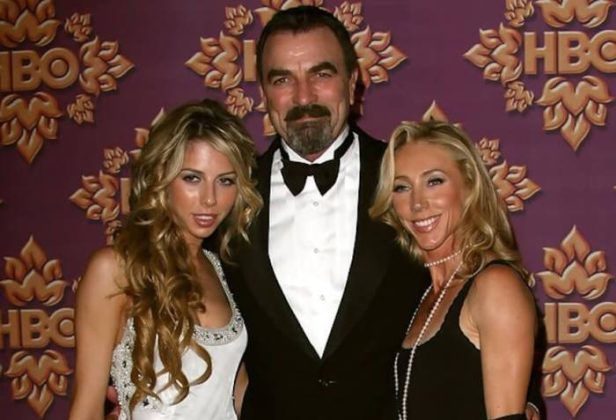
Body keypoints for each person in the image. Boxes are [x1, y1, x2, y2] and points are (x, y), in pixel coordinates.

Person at [221, 6, 428, 419]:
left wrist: (517, 401)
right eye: (283, 79)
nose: (303, 98)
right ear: (264, 93)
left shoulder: (409, 178)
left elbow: (476, 290)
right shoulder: (228, 194)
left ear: (352, 83)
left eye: (321, 74)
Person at [68, 99, 262, 420]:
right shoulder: (115, 269)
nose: (210, 199)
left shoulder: (221, 269)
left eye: (225, 180)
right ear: (162, 175)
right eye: (192, 178)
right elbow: (86, 409)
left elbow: (235, 391)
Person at [370, 120, 542, 419]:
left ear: (470, 185)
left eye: (434, 181)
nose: (417, 203)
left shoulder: (495, 285)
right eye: (401, 187)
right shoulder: (421, 291)